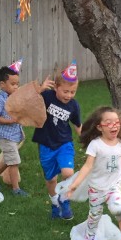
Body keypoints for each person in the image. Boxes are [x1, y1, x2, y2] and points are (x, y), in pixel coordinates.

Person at [65, 106, 121, 240]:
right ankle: (89, 238)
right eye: (109, 122)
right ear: (100, 127)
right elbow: (87, 167)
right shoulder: (95, 145)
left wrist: (120, 175)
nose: (114, 125)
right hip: (96, 188)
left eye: (117, 122)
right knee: (94, 216)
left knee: (117, 208)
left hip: (114, 185)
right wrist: (74, 185)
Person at [32, 60, 81, 220]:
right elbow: (28, 100)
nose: (69, 95)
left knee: (68, 173)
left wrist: (88, 141)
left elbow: (77, 125)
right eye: (65, 91)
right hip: (46, 144)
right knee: (51, 179)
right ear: (56, 88)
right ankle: (55, 203)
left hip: (64, 143)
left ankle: (64, 200)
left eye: (72, 92)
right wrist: (40, 89)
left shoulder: (74, 106)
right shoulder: (47, 96)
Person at [0, 60, 29, 196]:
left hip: (15, 135)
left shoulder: (13, 98)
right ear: (2, 84)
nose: (16, 87)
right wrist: (10, 121)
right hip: (6, 137)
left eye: (17, 84)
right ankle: (16, 189)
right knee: (14, 162)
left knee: (7, 160)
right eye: (13, 84)